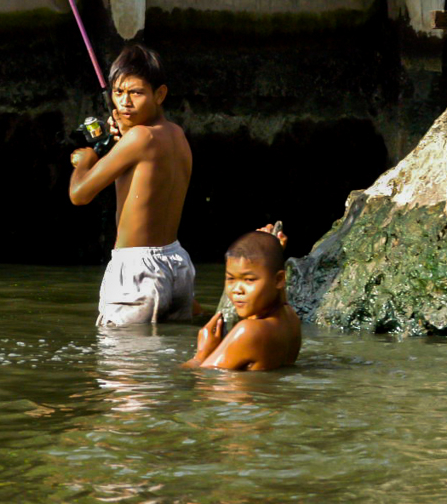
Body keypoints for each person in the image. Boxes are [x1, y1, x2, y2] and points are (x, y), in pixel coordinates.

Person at [69, 44, 195, 326]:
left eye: (136, 93)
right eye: (118, 92)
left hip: (137, 270)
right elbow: (146, 168)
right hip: (178, 264)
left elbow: (79, 195)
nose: (124, 102)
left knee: (121, 367)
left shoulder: (138, 139)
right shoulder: (176, 134)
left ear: (160, 94)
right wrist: (125, 136)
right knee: (162, 366)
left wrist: (85, 159)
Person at [184, 229, 301, 371]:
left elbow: (206, 380)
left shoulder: (248, 331)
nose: (237, 290)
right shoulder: (290, 317)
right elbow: (277, 292)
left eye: (249, 280)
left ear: (279, 279)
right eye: (230, 279)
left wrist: (201, 354)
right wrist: (271, 251)